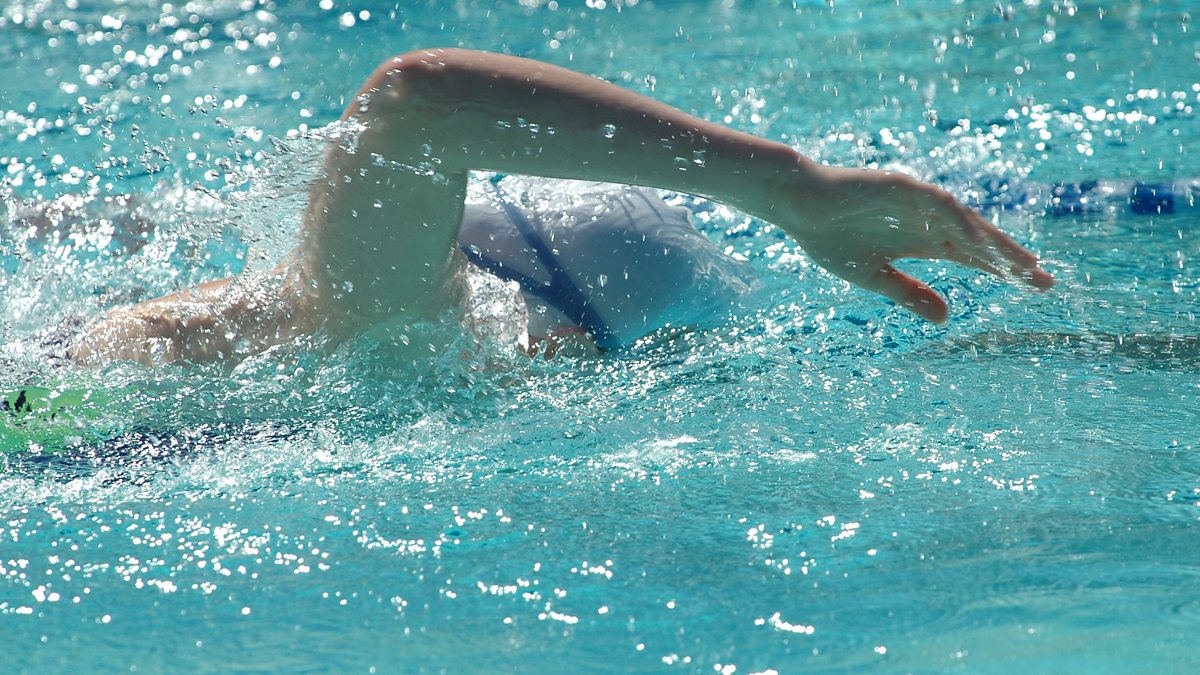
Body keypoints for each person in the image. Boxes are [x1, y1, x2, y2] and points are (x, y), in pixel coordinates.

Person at [59, 48, 1054, 366]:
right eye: (574, 332)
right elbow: (420, 99)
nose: (562, 354)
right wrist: (788, 187)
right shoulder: (384, 311)